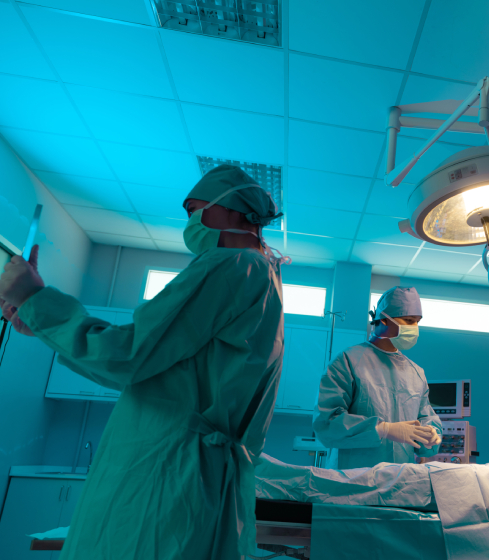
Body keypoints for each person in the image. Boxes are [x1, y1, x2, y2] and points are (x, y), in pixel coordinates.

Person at [0, 165, 286, 560]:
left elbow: (129, 355)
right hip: (187, 475)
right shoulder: (262, 277)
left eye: (195, 209)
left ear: (236, 211)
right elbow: (152, 374)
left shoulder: (233, 266)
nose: (189, 221)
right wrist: (41, 324)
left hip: (165, 473)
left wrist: (36, 301)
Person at [313, 286, 443, 468]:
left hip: (399, 481)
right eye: (408, 320)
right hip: (352, 480)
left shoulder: (416, 373)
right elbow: (327, 423)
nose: (414, 328)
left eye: (416, 322)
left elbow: (426, 418)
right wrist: (383, 429)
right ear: (383, 319)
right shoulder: (348, 361)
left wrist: (431, 434)